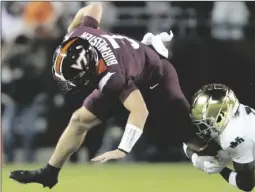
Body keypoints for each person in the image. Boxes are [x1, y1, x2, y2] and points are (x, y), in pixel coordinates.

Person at [9, 3, 199, 189]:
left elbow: (140, 111)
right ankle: (49, 173)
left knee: (187, 132)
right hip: (125, 65)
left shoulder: (112, 77)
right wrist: (72, 26)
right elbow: (95, 7)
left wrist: (122, 149)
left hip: (156, 77)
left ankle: (221, 151)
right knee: (79, 120)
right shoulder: (78, 33)